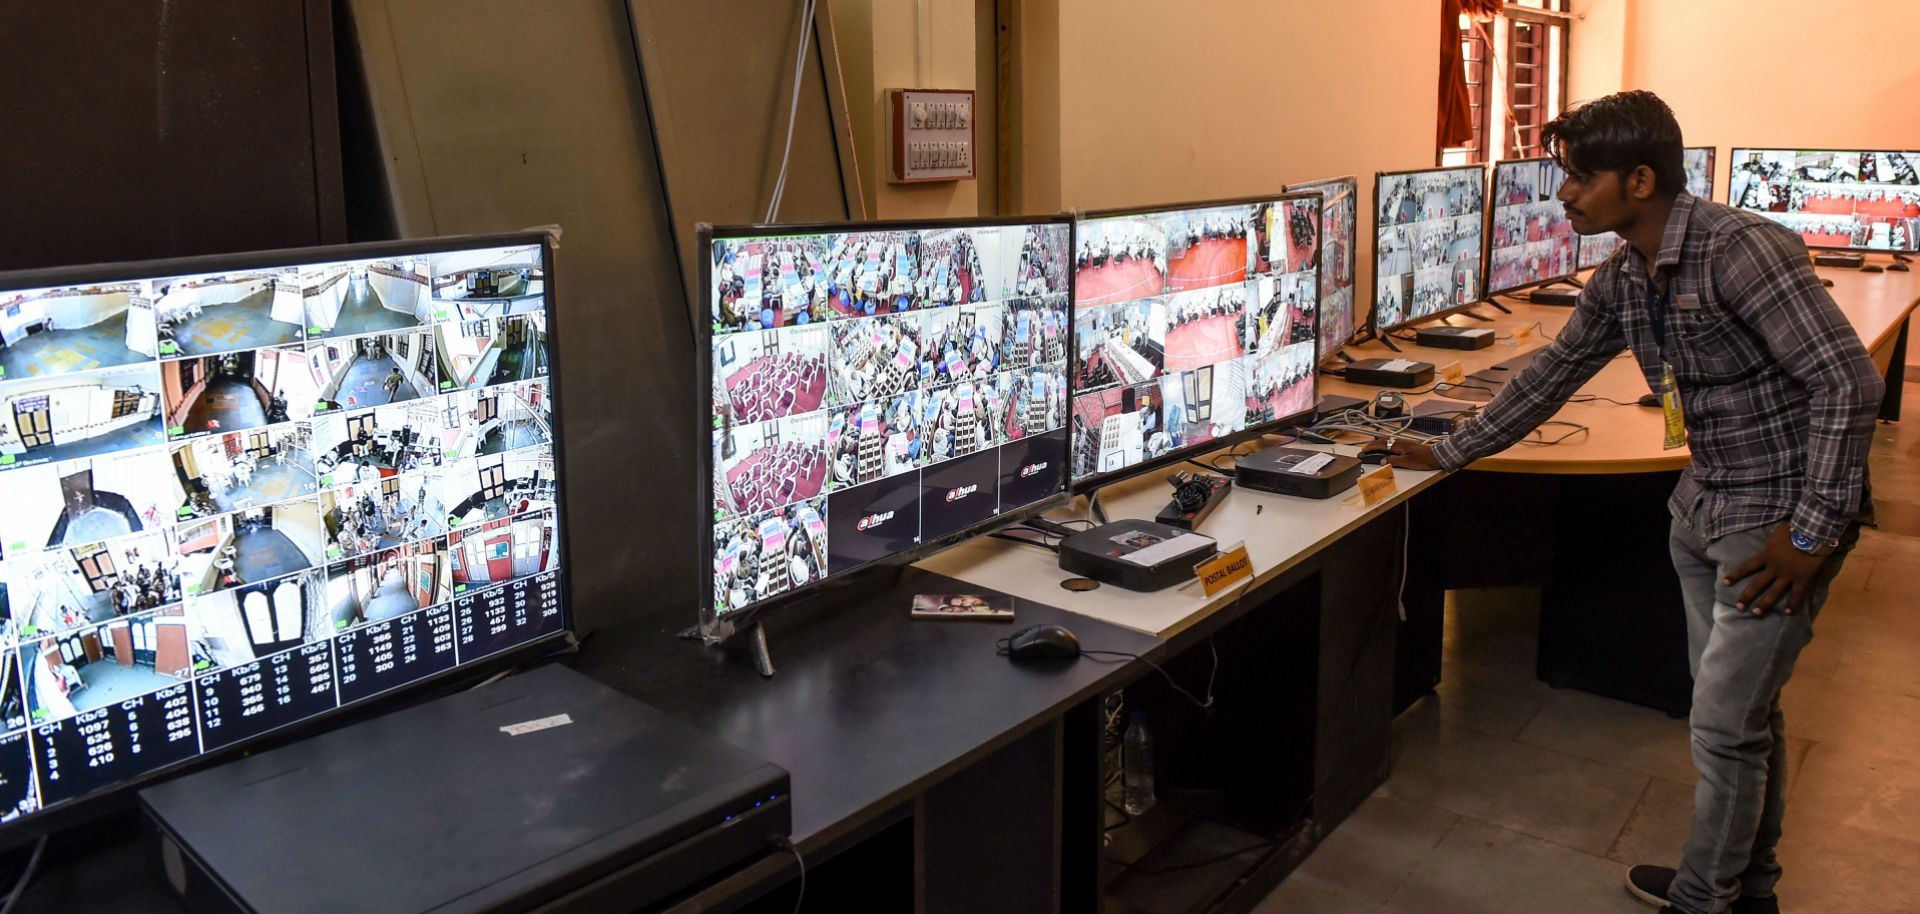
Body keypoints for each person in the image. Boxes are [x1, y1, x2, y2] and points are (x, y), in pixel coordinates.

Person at [1369, 91, 1882, 914]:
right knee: (1743, 721)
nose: (1564, 194)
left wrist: (1813, 536)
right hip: (1705, 508)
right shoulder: (1624, 273)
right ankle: (1750, 891)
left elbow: (1848, 382)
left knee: (1723, 727)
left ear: (1641, 180)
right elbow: (1552, 374)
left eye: (1579, 177)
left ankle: (1705, 899)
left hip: (1775, 527)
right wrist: (1449, 450)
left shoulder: (1739, 251)